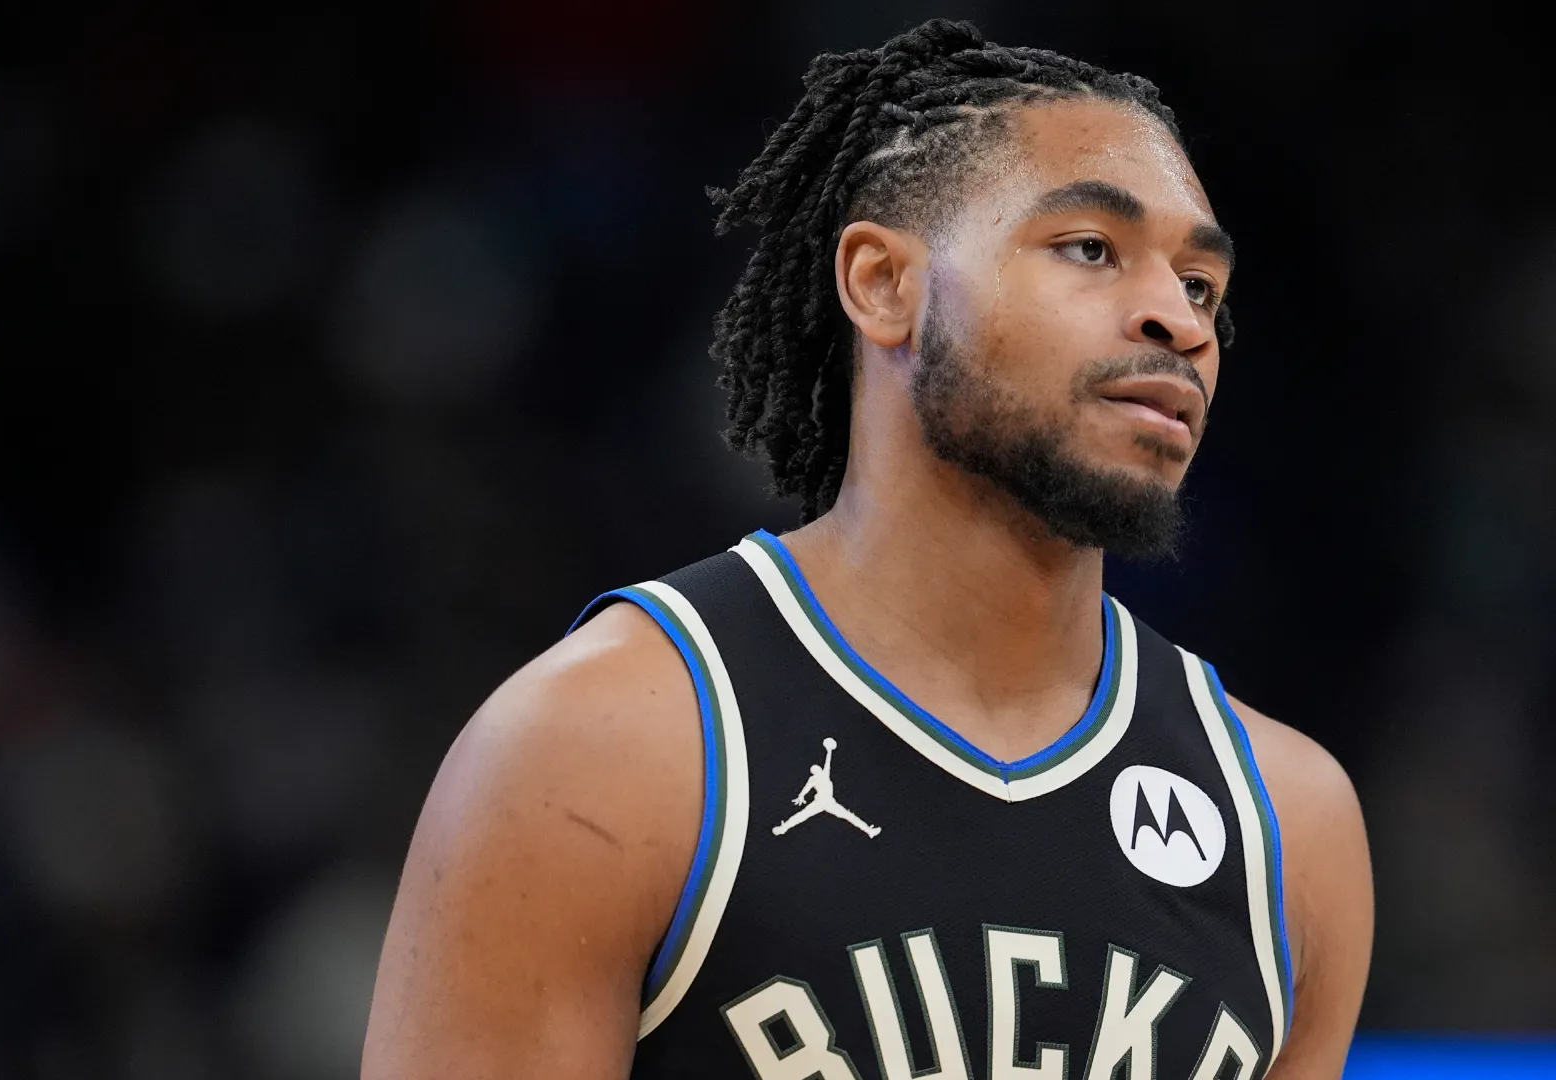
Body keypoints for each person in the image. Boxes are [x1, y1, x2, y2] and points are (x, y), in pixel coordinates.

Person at [362, 19, 1372, 1080]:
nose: (1180, 319)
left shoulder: (1289, 826)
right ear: (884, 283)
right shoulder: (605, 747)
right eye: (1089, 248)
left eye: (1202, 284)